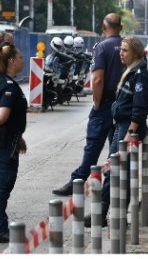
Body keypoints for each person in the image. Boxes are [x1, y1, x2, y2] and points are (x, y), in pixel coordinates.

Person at [52, 13, 124, 196]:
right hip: (124, 104)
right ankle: (115, 188)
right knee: (116, 148)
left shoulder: (102, 47)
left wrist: (97, 104)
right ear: (120, 28)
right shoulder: (127, 46)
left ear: (104, 26)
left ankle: (78, 180)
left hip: (106, 103)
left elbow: (98, 79)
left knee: (93, 145)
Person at [96, 36, 148, 227]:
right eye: (121, 49)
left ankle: (119, 217)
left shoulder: (140, 75)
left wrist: (130, 133)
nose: (121, 53)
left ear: (135, 53)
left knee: (122, 173)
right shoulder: (130, 71)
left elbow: (139, 108)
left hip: (128, 129)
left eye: (125, 50)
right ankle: (102, 213)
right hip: (121, 126)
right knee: (112, 171)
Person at [0, 44, 28, 243]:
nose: (23, 60)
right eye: (20, 57)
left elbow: (10, 119)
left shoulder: (0, 80)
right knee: (4, 183)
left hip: (3, 139)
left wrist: (19, 136)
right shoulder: (8, 86)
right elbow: (2, 117)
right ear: (11, 61)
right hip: (3, 141)